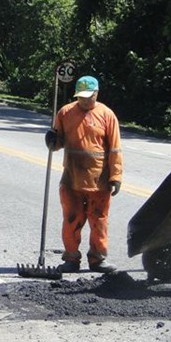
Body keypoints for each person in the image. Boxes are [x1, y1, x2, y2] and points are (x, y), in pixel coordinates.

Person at [45, 75, 123, 274]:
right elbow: (58, 143)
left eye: (89, 97)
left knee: (99, 222)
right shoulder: (65, 113)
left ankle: (97, 259)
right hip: (72, 178)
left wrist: (115, 176)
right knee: (72, 219)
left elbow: (115, 149)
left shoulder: (107, 115)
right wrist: (51, 141)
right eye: (81, 97)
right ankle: (71, 258)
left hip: (100, 181)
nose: (85, 101)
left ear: (97, 93)